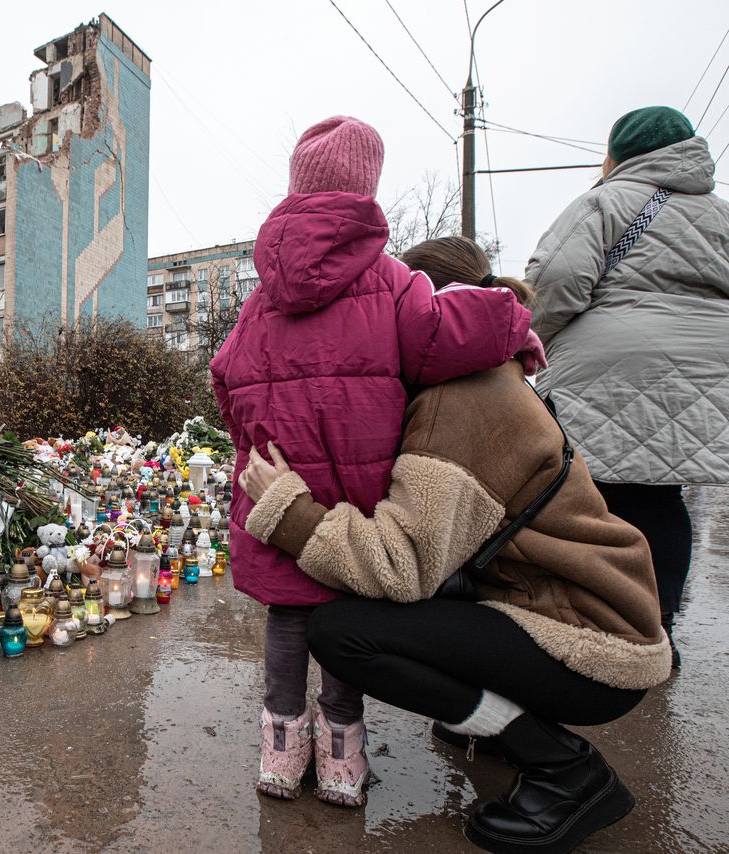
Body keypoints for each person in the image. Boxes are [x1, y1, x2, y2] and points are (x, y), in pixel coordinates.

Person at [236, 235, 669, 854]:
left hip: (591, 641)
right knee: (401, 628)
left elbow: (401, 565)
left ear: (426, 310)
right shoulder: (483, 375)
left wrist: (288, 511)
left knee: (341, 633)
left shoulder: (459, 398)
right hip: (573, 606)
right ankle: (499, 724)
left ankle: (565, 770)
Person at [209, 117, 536, 807]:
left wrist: (253, 441)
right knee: (342, 625)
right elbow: (449, 335)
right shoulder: (392, 283)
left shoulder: (260, 299)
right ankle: (340, 760)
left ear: (296, 185)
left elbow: (224, 376)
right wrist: (516, 330)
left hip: (275, 492)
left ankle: (278, 753)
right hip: (349, 505)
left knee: (288, 625)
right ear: (367, 188)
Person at [526, 106, 729, 668]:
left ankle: (599, 625)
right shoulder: (720, 213)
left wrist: (528, 343)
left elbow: (555, 282)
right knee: (664, 498)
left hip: (610, 368)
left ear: (619, 153)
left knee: (594, 498)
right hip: (707, 372)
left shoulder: (605, 201)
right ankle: (658, 629)